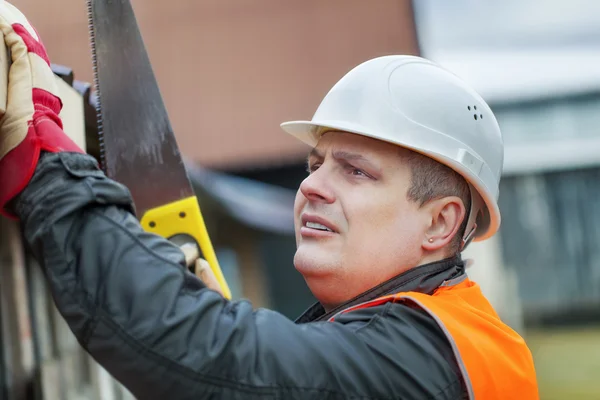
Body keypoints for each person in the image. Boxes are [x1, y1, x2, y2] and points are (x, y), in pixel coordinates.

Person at [0, 3, 539, 399]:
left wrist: (43, 154)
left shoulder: (426, 359)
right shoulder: (437, 339)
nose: (311, 186)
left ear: (440, 223)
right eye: (315, 165)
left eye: (354, 171)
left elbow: (212, 356)